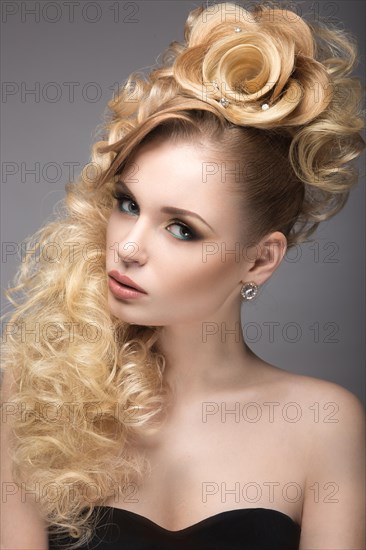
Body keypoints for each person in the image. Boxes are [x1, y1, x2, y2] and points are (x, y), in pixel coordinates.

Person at [1, 2, 365, 549]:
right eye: (127, 203)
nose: (127, 246)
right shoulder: (37, 403)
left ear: (260, 260)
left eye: (181, 230)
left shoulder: (323, 424)